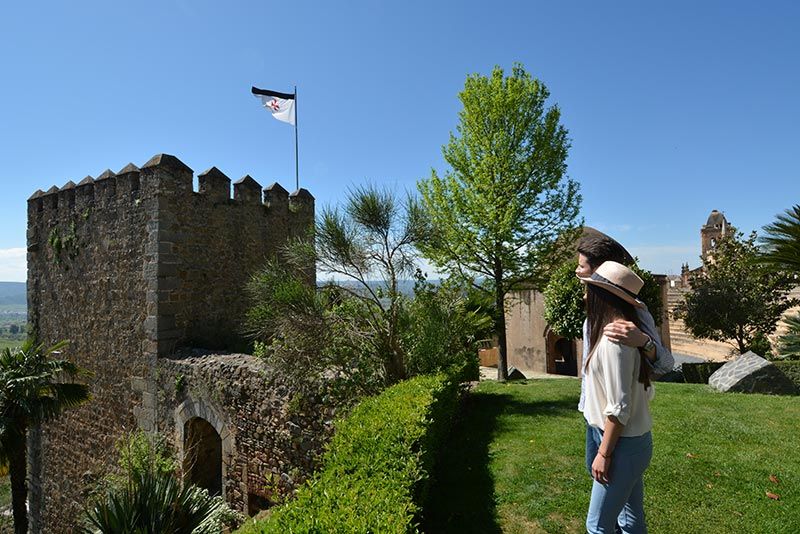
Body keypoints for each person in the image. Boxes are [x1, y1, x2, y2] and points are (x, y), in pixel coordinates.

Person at [578, 260, 655, 534]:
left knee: (597, 526)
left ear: (602, 296)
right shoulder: (618, 332)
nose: (584, 295)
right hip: (631, 444)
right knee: (630, 520)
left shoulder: (615, 340)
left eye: (590, 289)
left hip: (621, 446)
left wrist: (604, 453)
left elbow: (619, 408)